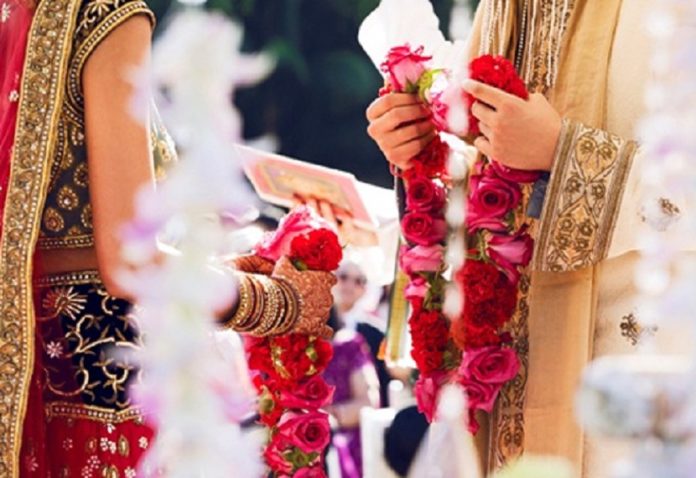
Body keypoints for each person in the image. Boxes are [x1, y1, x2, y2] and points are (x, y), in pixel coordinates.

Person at [0, 1, 334, 475]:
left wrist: (229, 269)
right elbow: (128, 265)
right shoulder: (103, 14)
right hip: (96, 406)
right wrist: (278, 301)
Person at [366, 0, 692, 475]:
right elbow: (483, 181)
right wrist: (416, 140)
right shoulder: (502, 9)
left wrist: (565, 153)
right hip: (498, 390)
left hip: (633, 388)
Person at [324, 307, 381, 478]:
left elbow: (369, 401)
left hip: (343, 448)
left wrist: (328, 417)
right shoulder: (285, 352)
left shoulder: (348, 345)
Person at [334, 260, 391, 407]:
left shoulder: (376, 334)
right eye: (344, 277)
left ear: (365, 289)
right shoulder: (314, 324)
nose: (350, 285)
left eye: (358, 281)